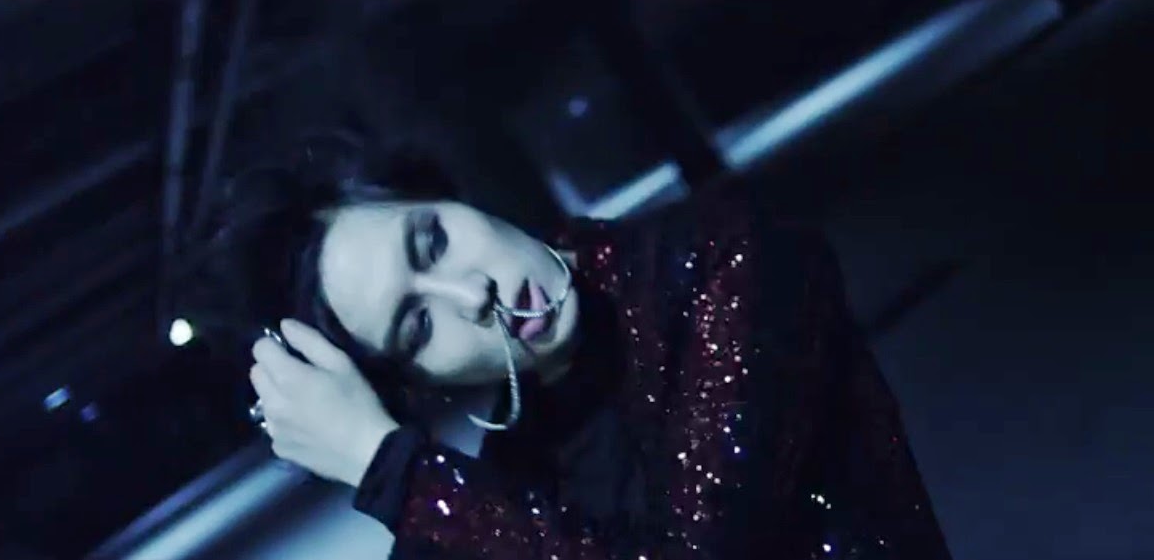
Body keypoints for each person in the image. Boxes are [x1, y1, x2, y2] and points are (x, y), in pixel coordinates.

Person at [198, 128, 951, 559]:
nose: (470, 295)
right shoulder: (506, 479)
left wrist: (391, 471)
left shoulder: (723, 258)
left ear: (446, 194)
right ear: (420, 380)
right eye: (418, 326)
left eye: (432, 241)